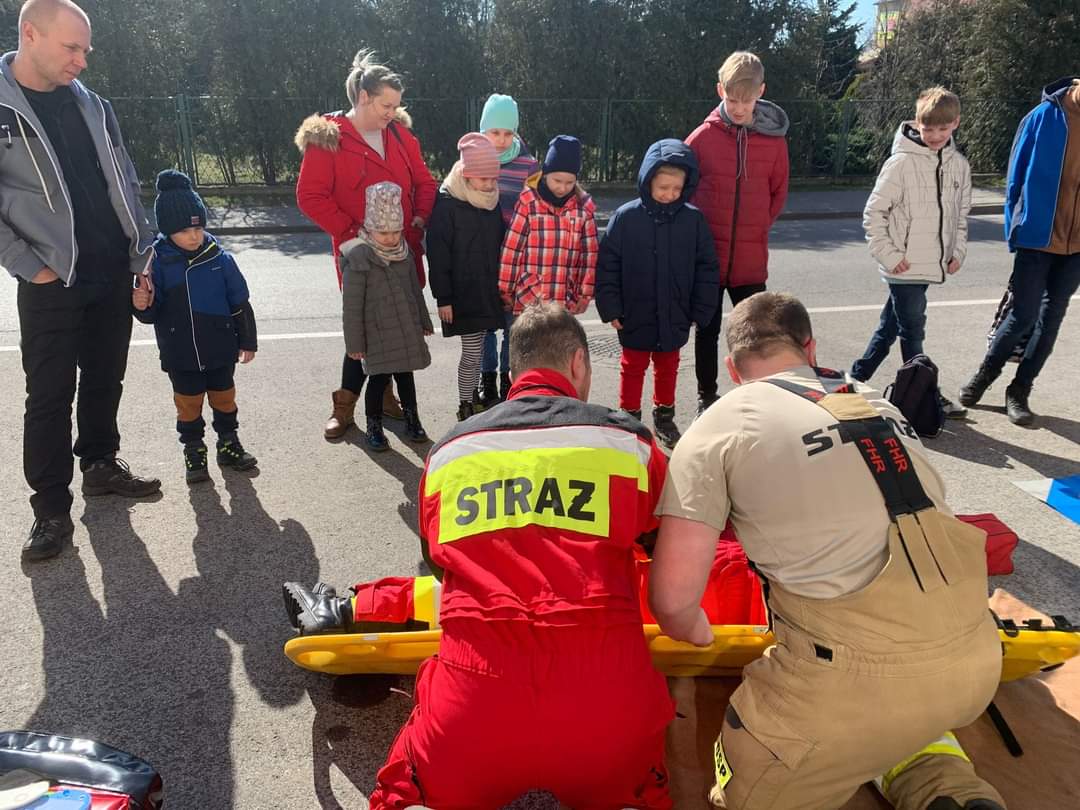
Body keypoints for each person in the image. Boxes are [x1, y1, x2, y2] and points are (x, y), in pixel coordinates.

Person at [284, 302, 675, 809]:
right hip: (603, 704)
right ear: (578, 362)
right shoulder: (631, 445)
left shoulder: (450, 452)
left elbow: (441, 567)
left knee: (408, 789)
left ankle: (346, 609)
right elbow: (669, 554)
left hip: (474, 707)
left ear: (514, 370)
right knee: (636, 786)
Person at [649, 292, 1005, 810]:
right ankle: (944, 780)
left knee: (748, 783)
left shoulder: (718, 427)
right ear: (810, 348)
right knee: (904, 721)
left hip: (844, 682)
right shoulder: (877, 403)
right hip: (974, 665)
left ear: (731, 367)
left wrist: (704, 640)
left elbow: (675, 604)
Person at [2, 0, 161, 562]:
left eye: (85, 50)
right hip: (50, 279)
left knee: (104, 378)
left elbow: (124, 177)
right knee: (48, 396)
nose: (82, 61)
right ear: (30, 34)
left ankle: (98, 464)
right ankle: (49, 511)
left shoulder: (94, 105)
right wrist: (30, 265)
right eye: (71, 48)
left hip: (109, 270)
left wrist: (140, 253)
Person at [294, 50, 438, 440]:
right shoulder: (330, 139)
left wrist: (419, 219)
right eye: (386, 104)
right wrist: (353, 233)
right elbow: (311, 196)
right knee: (368, 329)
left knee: (399, 327)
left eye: (396, 105)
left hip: (403, 251)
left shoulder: (401, 135)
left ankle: (386, 399)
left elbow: (425, 184)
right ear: (363, 97)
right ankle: (344, 407)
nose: (392, 112)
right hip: (359, 253)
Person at [960, 76, 1080, 426]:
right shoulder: (1044, 116)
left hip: (1076, 246)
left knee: (1051, 319)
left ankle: (1020, 390)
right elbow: (1015, 175)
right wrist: (1016, 227)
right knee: (1022, 315)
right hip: (1037, 237)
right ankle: (984, 376)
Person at [132, 170, 258, 484]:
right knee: (188, 405)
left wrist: (248, 341)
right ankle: (193, 450)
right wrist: (140, 304)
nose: (193, 235)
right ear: (167, 230)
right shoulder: (155, 263)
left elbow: (240, 301)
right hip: (181, 353)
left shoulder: (220, 258)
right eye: (184, 229)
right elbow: (151, 314)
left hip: (220, 348)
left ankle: (228, 444)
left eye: (198, 227)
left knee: (224, 398)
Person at [852, 86, 972, 416]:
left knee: (889, 328)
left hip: (929, 264)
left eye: (942, 128)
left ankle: (853, 381)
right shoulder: (900, 164)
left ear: (955, 124)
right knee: (912, 331)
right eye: (928, 128)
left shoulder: (958, 166)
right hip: (902, 267)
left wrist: (957, 251)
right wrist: (890, 256)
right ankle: (921, 395)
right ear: (917, 124)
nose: (934, 135)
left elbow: (960, 215)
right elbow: (873, 214)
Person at [596, 138, 719, 448]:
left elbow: (707, 268)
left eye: (677, 189)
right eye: (663, 187)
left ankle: (664, 415)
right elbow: (608, 264)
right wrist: (611, 308)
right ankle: (629, 416)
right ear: (648, 180)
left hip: (676, 311)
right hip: (634, 311)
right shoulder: (626, 218)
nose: (669, 195)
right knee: (632, 365)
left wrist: (700, 311)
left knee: (668, 366)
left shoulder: (693, 220)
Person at [686, 51, 789, 416]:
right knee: (708, 331)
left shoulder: (774, 142)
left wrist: (758, 225)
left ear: (761, 91)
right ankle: (706, 397)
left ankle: (756, 395)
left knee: (755, 333)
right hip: (709, 257)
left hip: (749, 258)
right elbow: (684, 189)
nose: (741, 107)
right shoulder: (701, 138)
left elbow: (777, 192)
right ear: (720, 91)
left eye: (747, 99)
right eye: (732, 99)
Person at [340, 182, 432, 452]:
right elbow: (352, 308)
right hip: (376, 334)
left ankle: (412, 419)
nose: (390, 238)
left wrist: (424, 321)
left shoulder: (404, 254)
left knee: (406, 377)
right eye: (383, 232)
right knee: (377, 381)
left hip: (404, 329)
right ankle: (374, 425)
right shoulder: (359, 260)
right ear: (369, 229)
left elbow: (415, 291)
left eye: (395, 231)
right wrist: (354, 345)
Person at [426, 133, 507, 421]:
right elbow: (438, 255)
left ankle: (471, 398)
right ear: (466, 175)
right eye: (483, 180)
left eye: (493, 180)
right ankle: (465, 405)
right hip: (463, 295)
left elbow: (500, 243)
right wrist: (443, 298)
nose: (490, 185)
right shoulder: (448, 205)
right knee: (472, 354)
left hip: (486, 290)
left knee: (477, 349)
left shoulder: (489, 201)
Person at [478, 92, 540, 406]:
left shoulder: (530, 167)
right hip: (482, 262)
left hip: (517, 263)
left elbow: (537, 214)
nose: (501, 140)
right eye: (494, 132)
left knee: (513, 326)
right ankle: (486, 380)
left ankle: (508, 381)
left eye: (507, 133)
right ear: (483, 131)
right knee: (486, 327)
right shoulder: (472, 162)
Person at [498, 135, 598, 318]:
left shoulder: (584, 209)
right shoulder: (529, 203)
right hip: (530, 298)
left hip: (564, 299)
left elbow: (589, 256)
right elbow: (512, 249)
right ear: (545, 176)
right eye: (557, 181)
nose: (562, 188)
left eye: (569, 182)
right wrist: (506, 289)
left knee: (559, 345)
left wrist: (584, 294)